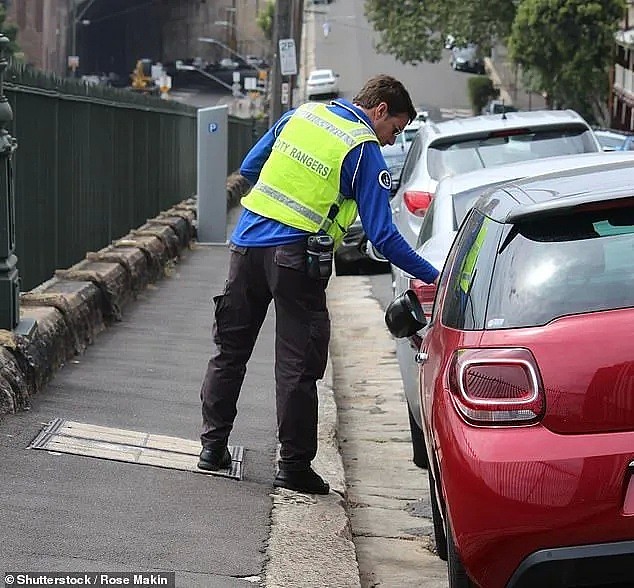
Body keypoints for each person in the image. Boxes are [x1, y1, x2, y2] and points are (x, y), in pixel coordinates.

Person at [198, 74, 439, 494]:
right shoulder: (362, 151)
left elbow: (252, 167)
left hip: (246, 246)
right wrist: (434, 275)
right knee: (297, 364)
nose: (389, 141)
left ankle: (211, 448)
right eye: (394, 130)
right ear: (379, 110)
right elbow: (383, 236)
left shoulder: (302, 115)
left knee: (229, 351)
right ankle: (292, 467)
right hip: (295, 260)